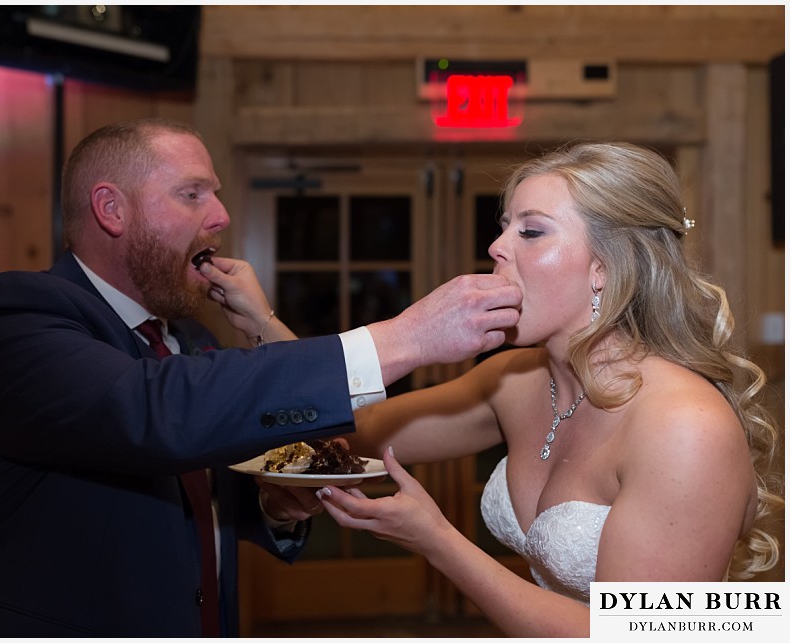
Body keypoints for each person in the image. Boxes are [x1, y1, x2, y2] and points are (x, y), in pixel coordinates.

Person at [0, 117, 523, 637]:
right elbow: (150, 418)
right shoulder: (15, 316)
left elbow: (198, 488)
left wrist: (271, 507)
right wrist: (405, 337)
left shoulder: (188, 343)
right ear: (112, 210)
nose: (220, 216)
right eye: (192, 194)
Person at [313, 141, 784, 637]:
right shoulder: (514, 380)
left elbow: (644, 635)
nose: (496, 247)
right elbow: (357, 428)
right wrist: (269, 331)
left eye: (531, 231)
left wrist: (437, 541)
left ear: (604, 267)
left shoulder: (685, 426)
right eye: (504, 227)